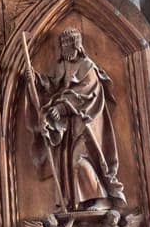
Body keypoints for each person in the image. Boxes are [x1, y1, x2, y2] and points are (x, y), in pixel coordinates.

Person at [20, 27, 123, 210]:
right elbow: (52, 84)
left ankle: (102, 198)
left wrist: (61, 107)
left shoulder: (87, 67)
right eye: (62, 45)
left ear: (76, 45)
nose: (64, 48)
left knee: (80, 159)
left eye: (67, 44)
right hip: (69, 126)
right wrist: (35, 78)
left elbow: (84, 93)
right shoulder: (62, 66)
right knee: (66, 162)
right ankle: (71, 201)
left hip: (86, 123)